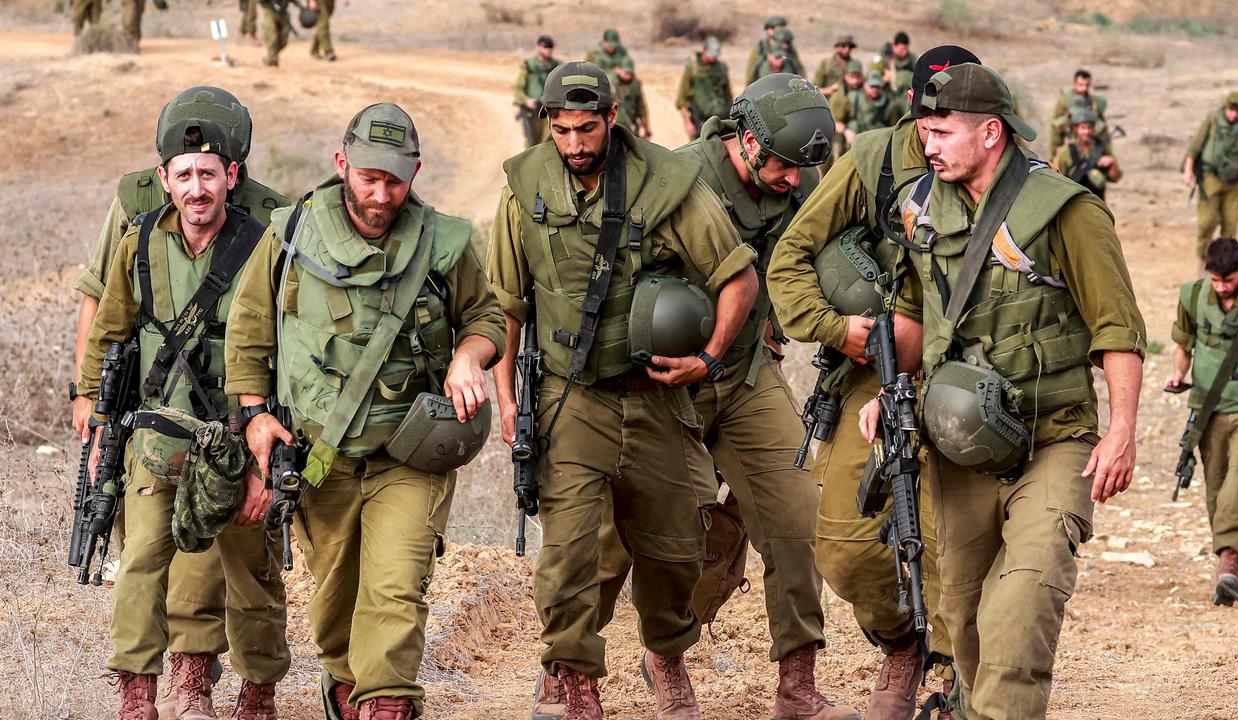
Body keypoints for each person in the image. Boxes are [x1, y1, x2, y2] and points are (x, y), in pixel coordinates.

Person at [861, 63, 1144, 718]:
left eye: (940, 132)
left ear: (990, 133)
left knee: (1017, 624)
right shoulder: (922, 211)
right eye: (923, 132)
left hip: (1053, 443)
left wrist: (1123, 429)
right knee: (964, 625)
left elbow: (1118, 327)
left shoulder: (1065, 212)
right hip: (959, 451)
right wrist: (891, 391)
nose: (927, 146)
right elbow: (911, 311)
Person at [487, 61, 760, 719]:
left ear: (613, 118)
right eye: (563, 130)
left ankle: (665, 652)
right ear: (546, 124)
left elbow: (739, 279)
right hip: (569, 395)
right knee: (571, 544)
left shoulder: (666, 185)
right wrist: (506, 399)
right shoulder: (524, 191)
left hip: (659, 396)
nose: (576, 143)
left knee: (675, 547)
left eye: (587, 128)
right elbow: (504, 309)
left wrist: (709, 356)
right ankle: (571, 677)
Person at [226, 102, 505, 720]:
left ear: (416, 173)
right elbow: (248, 332)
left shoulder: (442, 242)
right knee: (336, 602)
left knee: (396, 590)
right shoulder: (292, 232)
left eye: (395, 182)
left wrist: (468, 356)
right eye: (368, 179)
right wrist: (254, 414)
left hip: (411, 451)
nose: (381, 196)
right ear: (341, 164)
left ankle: (388, 704)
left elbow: (486, 317)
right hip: (320, 459)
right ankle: (348, 687)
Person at [769, 44, 984, 720]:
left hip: (968, 369)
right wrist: (839, 330)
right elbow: (791, 258)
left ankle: (954, 675)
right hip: (878, 364)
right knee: (844, 545)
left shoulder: (1007, 175)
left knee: (957, 531)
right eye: (931, 113)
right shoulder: (876, 161)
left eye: (956, 114)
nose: (939, 127)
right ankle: (902, 640)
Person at [634, 73, 855, 720]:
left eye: (804, 167)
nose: (794, 179)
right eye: (786, 164)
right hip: (671, 383)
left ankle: (797, 683)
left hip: (747, 374)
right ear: (748, 140)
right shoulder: (679, 177)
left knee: (795, 517)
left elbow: (804, 260)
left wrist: (784, 327)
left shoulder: (799, 184)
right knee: (666, 532)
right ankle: (662, 657)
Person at [71, 85, 290, 720]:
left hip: (240, 433)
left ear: (232, 176)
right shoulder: (138, 241)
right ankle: (137, 697)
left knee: (253, 573)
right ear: (165, 178)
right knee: (140, 561)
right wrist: (95, 418)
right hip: (156, 434)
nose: (197, 188)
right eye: (184, 174)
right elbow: (110, 329)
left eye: (209, 174)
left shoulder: (263, 242)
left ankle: (258, 694)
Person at [1167, 236, 1238, 606]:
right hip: (1208, 408)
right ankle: (1235, 571)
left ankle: (1227, 560)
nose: (1221, 287)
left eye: (1227, 281)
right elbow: (1184, 343)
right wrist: (1176, 374)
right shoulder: (1193, 297)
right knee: (1215, 487)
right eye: (1215, 280)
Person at [1184, 91, 1238, 259]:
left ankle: (1225, 264)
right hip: (1210, 179)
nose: (1235, 114)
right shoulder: (1212, 120)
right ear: (1225, 107)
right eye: (1232, 109)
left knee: (1230, 226)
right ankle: (1204, 261)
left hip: (1233, 183)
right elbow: (1194, 147)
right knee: (1207, 223)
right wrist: (1188, 170)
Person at [1051, 106, 1121, 200]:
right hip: (1073, 201)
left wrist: (1112, 163)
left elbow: (1115, 178)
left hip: (1098, 200)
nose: (1086, 132)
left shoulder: (1100, 148)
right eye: (1083, 128)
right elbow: (1056, 179)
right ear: (1076, 129)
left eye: (1089, 128)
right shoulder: (1067, 151)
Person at [676, 36, 732, 141]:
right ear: (704, 50)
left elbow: (728, 96)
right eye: (711, 54)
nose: (714, 58)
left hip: (721, 120)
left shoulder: (722, 68)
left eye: (716, 55)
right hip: (699, 121)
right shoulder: (693, 68)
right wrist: (687, 123)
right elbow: (681, 100)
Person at [1047, 69, 1109, 156]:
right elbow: (1055, 128)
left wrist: (1107, 153)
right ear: (1074, 83)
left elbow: (1102, 129)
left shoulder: (1094, 103)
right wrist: (1055, 151)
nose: (1084, 88)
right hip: (1069, 146)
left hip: (1091, 146)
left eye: (1087, 85)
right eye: (1081, 85)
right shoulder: (1064, 101)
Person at [515, 35, 562, 148]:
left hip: (549, 110)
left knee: (548, 142)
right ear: (538, 47)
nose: (548, 50)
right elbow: (518, 88)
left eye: (550, 48)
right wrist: (526, 101)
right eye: (545, 47)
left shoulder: (557, 66)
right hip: (531, 111)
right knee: (531, 143)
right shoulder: (529, 65)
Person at [611, 56, 651, 139]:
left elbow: (641, 109)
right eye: (626, 72)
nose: (628, 76)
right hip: (612, 129)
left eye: (630, 73)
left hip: (631, 129)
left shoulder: (635, 85)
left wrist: (647, 130)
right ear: (618, 69)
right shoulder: (609, 83)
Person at [745, 16, 790, 83]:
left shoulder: (788, 46)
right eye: (778, 29)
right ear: (769, 30)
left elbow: (798, 67)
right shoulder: (761, 46)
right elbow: (751, 70)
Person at [879, 31, 915, 97]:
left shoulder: (911, 58)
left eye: (906, 48)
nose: (905, 52)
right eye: (902, 49)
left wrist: (895, 77)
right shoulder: (884, 58)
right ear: (894, 47)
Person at [259, 0, 289, 66]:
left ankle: (271, 57)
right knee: (272, 37)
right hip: (269, 11)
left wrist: (302, 7)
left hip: (282, 13)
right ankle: (271, 60)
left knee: (283, 39)